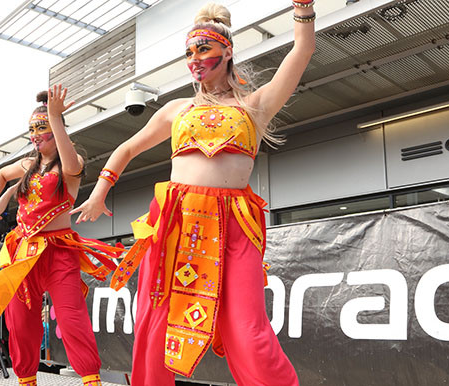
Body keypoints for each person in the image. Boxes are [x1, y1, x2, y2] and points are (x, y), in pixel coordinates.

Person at [70, 2, 316, 385]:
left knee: (247, 328)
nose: (195, 60)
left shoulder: (254, 106)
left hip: (233, 226)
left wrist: (303, 9)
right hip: (172, 222)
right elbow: (127, 148)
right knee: (155, 321)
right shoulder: (176, 109)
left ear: (227, 51)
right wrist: (101, 190)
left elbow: (301, 52)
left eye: (203, 49)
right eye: (189, 53)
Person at [0, 86, 122, 386]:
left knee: (71, 317)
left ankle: (90, 380)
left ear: (56, 129)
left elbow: (72, 163)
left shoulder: (70, 163)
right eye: (32, 129)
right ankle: (26, 380)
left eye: (42, 128)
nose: (35, 134)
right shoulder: (28, 165)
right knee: (21, 323)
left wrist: (56, 115)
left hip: (58, 252)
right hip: (23, 253)